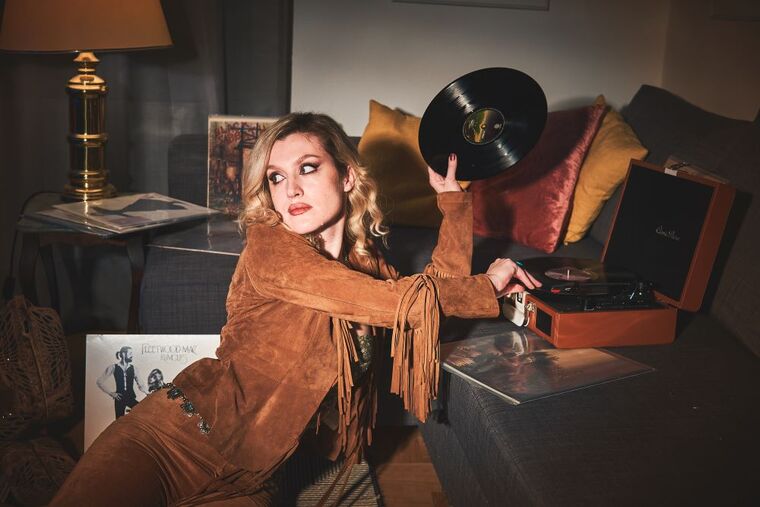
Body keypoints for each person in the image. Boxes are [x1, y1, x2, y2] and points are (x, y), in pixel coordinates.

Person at [51, 112, 539, 506]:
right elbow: (402, 303)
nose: (291, 190)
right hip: (170, 441)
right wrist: (487, 286)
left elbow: (432, 301)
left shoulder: (368, 268)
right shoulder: (270, 247)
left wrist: (453, 204)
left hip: (251, 481)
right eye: (276, 177)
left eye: (307, 168)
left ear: (347, 176)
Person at [96, 346, 149, 419]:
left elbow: (141, 384)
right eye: (130, 353)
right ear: (123, 354)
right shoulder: (113, 367)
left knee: (142, 412)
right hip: (119, 399)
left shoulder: (134, 368)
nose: (132, 355)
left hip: (130, 398)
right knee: (119, 421)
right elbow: (99, 382)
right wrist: (111, 393)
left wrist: (148, 393)